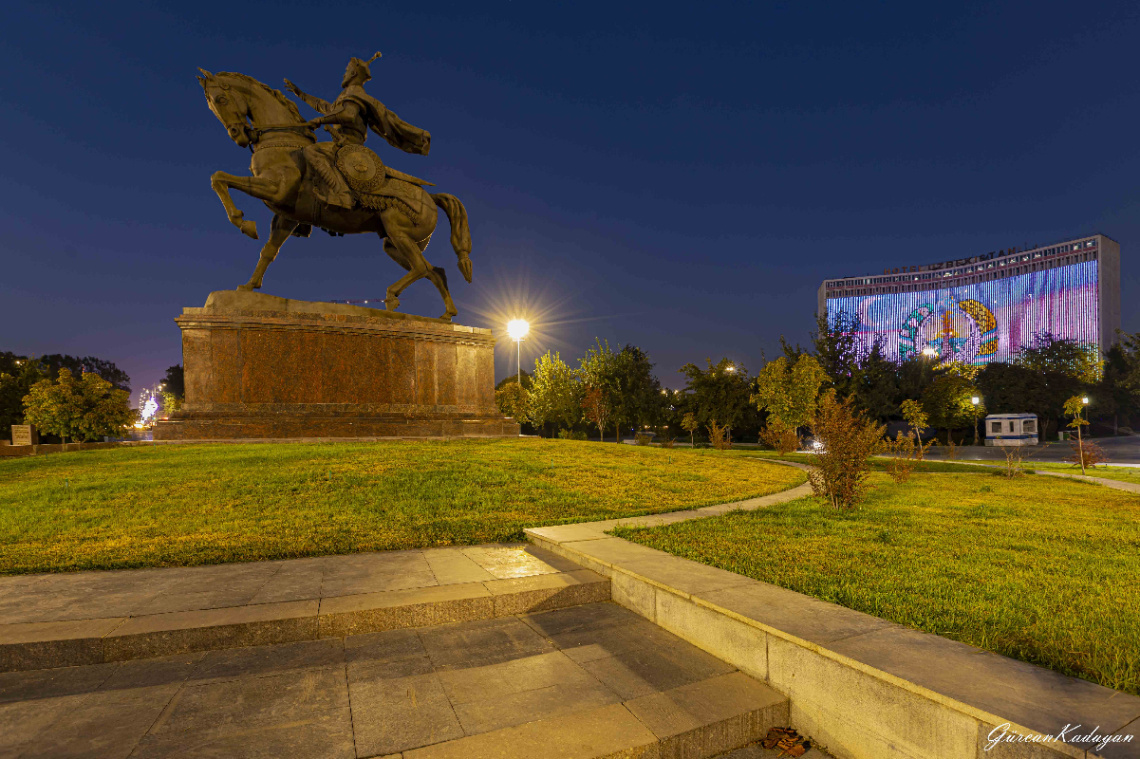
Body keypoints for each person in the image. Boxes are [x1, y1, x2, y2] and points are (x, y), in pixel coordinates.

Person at [286, 52, 432, 208]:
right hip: (340, 144)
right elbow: (326, 107)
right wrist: (301, 95)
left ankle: (342, 194)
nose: (344, 74)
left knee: (311, 152)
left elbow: (348, 115)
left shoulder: (356, 94)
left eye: (346, 70)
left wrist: (321, 120)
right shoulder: (346, 96)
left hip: (350, 145)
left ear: (353, 73)